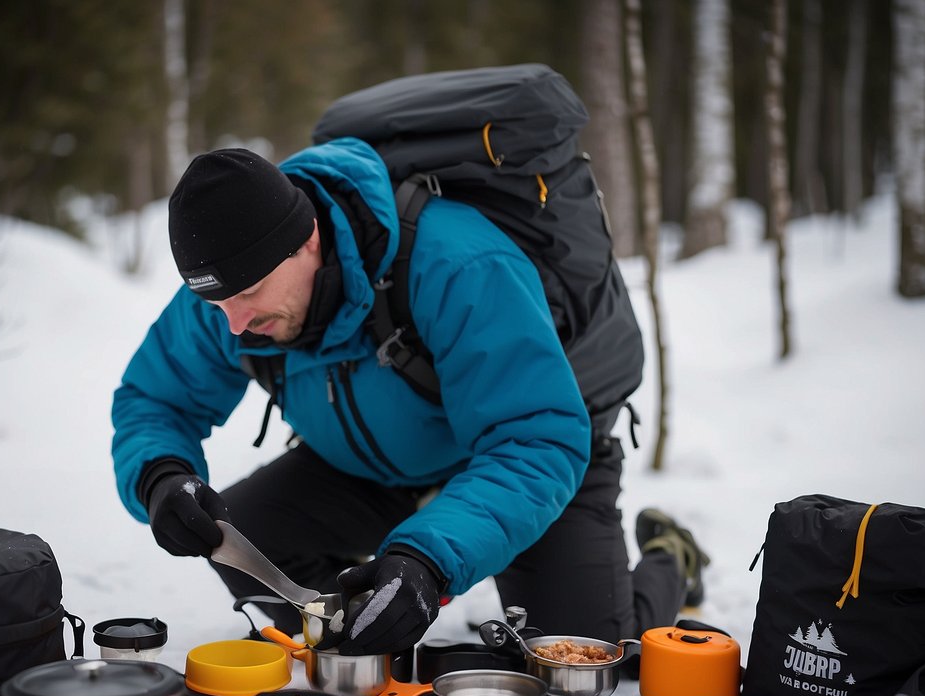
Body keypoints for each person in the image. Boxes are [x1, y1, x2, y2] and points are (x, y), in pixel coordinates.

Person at [111, 140, 708, 657]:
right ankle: (366, 624)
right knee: (245, 539)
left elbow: (536, 438)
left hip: (525, 461)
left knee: (581, 649)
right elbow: (154, 399)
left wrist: (428, 560)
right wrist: (162, 476)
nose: (234, 323)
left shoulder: (458, 264)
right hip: (369, 466)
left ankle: (671, 557)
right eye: (218, 305)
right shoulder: (232, 289)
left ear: (308, 241)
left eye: (250, 294)